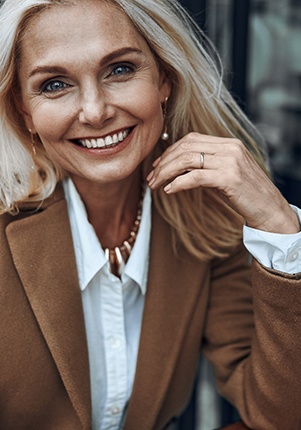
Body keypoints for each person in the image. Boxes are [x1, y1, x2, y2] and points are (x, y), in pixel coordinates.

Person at [0, 0, 300, 429]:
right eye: (54, 85)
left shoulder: (203, 219)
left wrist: (279, 228)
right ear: (24, 110)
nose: (95, 110)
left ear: (165, 80)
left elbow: (281, 415)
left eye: (119, 70)